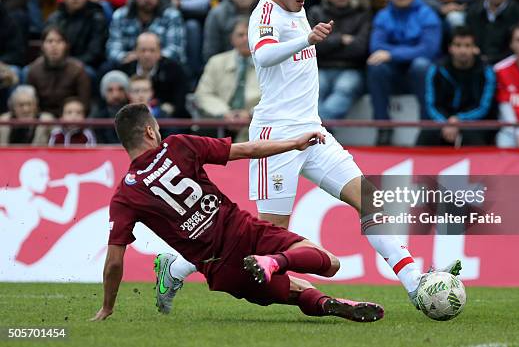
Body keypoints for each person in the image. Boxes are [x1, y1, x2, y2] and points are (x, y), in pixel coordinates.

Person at [196, 0, 460, 304]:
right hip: (277, 137)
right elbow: (262, 54)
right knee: (267, 238)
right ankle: (181, 263)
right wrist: (306, 39)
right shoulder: (265, 12)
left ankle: (415, 284)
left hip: (313, 131)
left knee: (370, 200)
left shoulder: (297, 8)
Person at [90, 103, 385, 322]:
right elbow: (246, 150)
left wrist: (107, 306)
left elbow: (114, 261)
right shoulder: (178, 145)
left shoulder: (125, 196)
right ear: (149, 130)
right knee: (330, 263)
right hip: (244, 230)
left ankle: (321, 300)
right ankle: (274, 261)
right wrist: (293, 144)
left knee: (297, 291)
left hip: (221, 268)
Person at [367, 0, 442, 144]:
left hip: (420, 73)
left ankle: (427, 126)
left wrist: (393, 53)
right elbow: (376, 47)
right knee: (376, 66)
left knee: (421, 64)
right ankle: (383, 127)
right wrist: (408, 51)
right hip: (393, 73)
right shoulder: (383, 16)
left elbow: (429, 50)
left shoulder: (427, 14)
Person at [418, 26, 497, 146]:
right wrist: (447, 123)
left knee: (472, 137)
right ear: (450, 48)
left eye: (467, 45)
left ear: (475, 48)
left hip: (474, 123)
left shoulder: (486, 71)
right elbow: (432, 105)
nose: (462, 50)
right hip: (443, 120)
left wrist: (459, 120)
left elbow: (483, 107)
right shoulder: (436, 69)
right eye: (458, 45)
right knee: (426, 134)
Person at [308, 0, 370, 120]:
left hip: (351, 69)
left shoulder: (362, 13)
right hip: (320, 68)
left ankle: (317, 127)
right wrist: (340, 40)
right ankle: (321, 131)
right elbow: (311, 47)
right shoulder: (315, 13)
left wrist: (327, 44)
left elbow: (360, 49)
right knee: (314, 91)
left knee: (344, 88)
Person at [194, 18, 260, 140]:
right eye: (240, 35)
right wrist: (225, 113)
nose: (245, 38)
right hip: (220, 123)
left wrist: (251, 114)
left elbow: (274, 96)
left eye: (249, 34)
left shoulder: (268, 63)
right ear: (232, 39)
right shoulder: (216, 62)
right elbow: (203, 94)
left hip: (257, 123)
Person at [106, 0, 186, 68]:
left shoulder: (171, 15)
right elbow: (113, 47)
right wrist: (125, 57)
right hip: (130, 64)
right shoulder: (120, 15)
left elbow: (176, 49)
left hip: (163, 66)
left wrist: (150, 57)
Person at [46, 0, 108, 72]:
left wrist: (70, 65)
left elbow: (95, 53)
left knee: (87, 72)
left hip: (85, 65)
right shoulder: (55, 18)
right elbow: (47, 45)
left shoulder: (96, 18)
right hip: (57, 63)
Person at [26, 26, 91, 117]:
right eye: (50, 41)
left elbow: (85, 105)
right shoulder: (33, 70)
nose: (54, 45)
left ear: (66, 45)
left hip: (70, 118)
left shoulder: (77, 70)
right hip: (43, 119)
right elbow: (30, 103)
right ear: (42, 46)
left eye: (59, 41)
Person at [119, 32, 188, 117]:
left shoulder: (174, 71)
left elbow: (179, 104)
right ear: (135, 51)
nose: (147, 55)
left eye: (152, 50)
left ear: (159, 53)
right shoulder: (124, 70)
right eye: (143, 50)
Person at [466, 0, 519, 66]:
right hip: (477, 63)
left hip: (507, 64)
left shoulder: (518, 13)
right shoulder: (473, 11)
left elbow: (516, 47)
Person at [203, 0, 259, 64]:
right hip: (225, 66)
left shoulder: (268, 12)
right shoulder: (217, 14)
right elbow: (210, 50)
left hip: (261, 65)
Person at [93, 70, 129, 144]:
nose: (116, 95)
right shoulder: (98, 119)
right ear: (104, 93)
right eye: (110, 90)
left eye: (120, 89)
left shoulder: (135, 116)